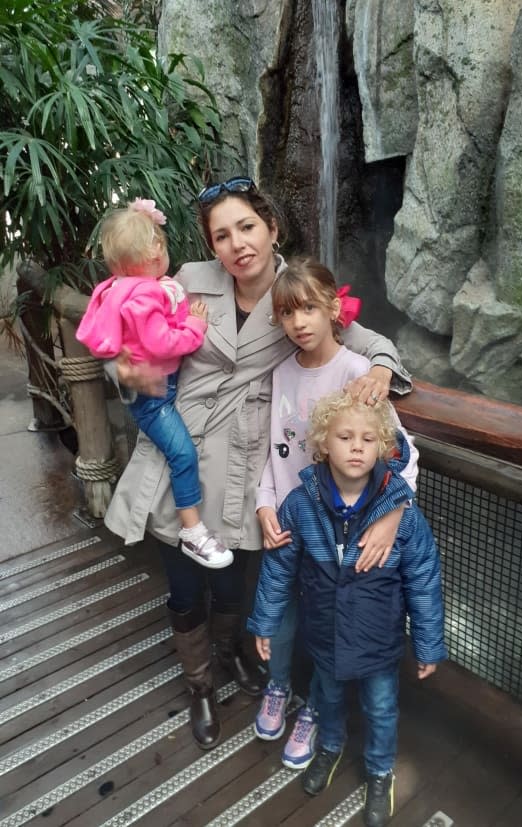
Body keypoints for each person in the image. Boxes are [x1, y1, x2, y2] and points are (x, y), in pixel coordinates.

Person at [103, 177, 413, 753]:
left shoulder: (297, 294)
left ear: (272, 229)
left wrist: (380, 370)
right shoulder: (188, 280)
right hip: (184, 453)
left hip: (247, 459)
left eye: (247, 227)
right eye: (221, 235)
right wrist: (123, 375)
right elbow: (124, 337)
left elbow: (368, 338)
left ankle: (230, 656)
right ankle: (199, 685)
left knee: (230, 579)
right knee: (184, 582)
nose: (236, 244)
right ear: (209, 245)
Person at [248, 390, 446, 827]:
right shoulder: (301, 504)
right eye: (344, 437)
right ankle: (330, 749)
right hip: (324, 632)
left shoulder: (403, 515)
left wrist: (429, 644)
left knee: (380, 708)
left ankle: (379, 772)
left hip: (378, 641)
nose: (356, 447)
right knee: (329, 699)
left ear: (381, 447)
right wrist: (264, 621)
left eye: (367, 439)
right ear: (322, 444)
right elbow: (279, 568)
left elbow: (424, 580)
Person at [253, 256, 420, 772]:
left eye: (307, 308)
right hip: (289, 524)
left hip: (340, 534)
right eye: (287, 313)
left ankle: (318, 714)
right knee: (278, 620)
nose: (299, 322)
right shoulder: (280, 373)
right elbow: (273, 449)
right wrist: (263, 503)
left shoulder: (357, 373)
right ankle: (278, 688)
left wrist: (391, 517)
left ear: (332, 308)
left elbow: (404, 458)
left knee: (328, 628)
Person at [76, 198, 232, 569]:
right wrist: (194, 327)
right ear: (155, 251)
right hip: (156, 396)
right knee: (182, 456)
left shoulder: (121, 287)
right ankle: (193, 532)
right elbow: (160, 341)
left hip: (157, 391)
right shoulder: (145, 293)